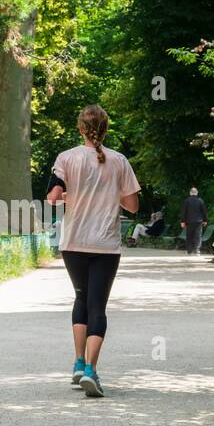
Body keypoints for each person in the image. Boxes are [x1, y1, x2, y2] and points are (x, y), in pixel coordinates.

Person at [47, 104, 141, 398]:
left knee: (81, 299)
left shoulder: (66, 158)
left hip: (73, 243)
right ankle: (91, 370)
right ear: (105, 129)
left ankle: (77, 363)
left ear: (80, 129)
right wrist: (110, 193)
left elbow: (52, 198)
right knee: (98, 306)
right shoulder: (119, 161)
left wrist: (68, 194)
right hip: (105, 245)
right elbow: (134, 206)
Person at [179, 187, 209, 255]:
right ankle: (197, 250)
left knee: (189, 236)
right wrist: (205, 220)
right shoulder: (200, 200)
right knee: (198, 236)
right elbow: (204, 211)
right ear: (197, 193)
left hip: (189, 222)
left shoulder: (186, 201)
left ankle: (189, 251)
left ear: (190, 193)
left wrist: (182, 221)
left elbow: (183, 212)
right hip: (199, 221)